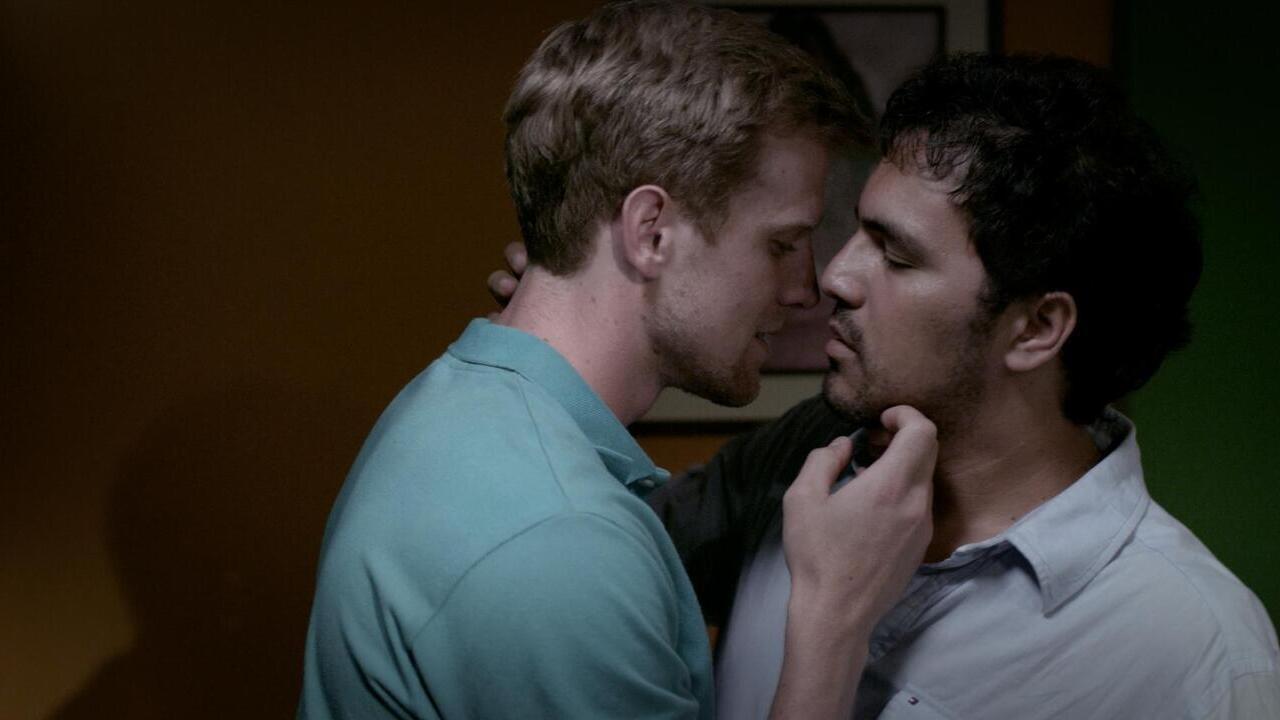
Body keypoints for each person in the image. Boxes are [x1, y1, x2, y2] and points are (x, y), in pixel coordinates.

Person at [492, 53, 1280, 718]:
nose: (835, 277)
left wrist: (832, 617)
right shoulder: (807, 454)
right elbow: (583, 569)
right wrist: (574, 344)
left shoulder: (1195, 653)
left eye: (896, 256)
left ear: (1037, 328)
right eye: (856, 233)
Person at [299, 2, 939, 719]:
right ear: (651, 233)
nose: (805, 289)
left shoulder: (460, 402)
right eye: (781, 245)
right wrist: (835, 621)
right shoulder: (558, 540)